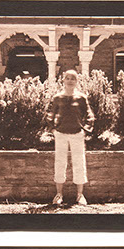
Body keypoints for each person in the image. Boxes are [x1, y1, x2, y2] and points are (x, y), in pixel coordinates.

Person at [46, 70, 95, 206]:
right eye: (67, 78)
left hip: (77, 135)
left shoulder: (81, 98)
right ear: (63, 80)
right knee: (60, 162)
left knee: (79, 162)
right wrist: (53, 130)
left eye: (73, 78)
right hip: (61, 134)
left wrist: (85, 129)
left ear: (76, 81)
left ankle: (80, 195)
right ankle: (59, 194)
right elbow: (50, 115)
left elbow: (89, 116)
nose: (70, 80)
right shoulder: (57, 98)